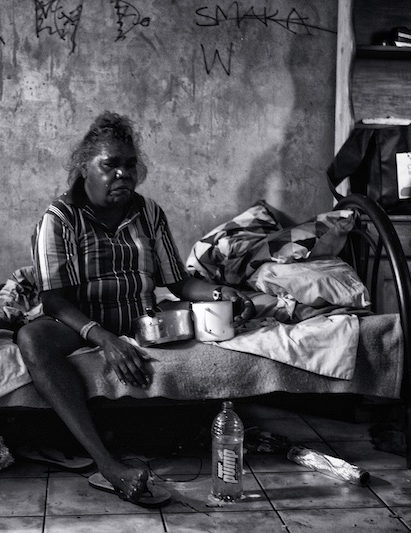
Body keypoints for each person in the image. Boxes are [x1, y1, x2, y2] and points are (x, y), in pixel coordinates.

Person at [16, 111, 255, 505]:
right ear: (83, 168)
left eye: (130, 165)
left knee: (210, 321)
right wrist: (104, 339)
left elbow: (177, 281)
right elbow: (54, 299)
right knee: (32, 337)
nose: (122, 175)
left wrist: (219, 294)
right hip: (81, 321)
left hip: (138, 315)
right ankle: (107, 464)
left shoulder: (148, 212)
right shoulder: (59, 218)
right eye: (109, 165)